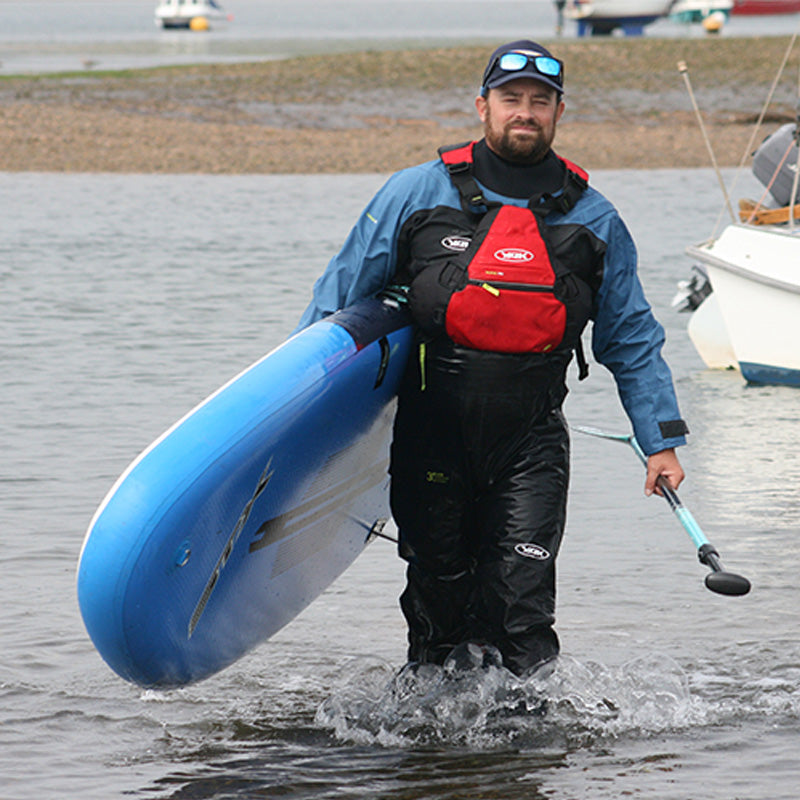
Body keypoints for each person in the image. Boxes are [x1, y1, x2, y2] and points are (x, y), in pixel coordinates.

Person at [294, 40, 688, 677]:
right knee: (437, 601)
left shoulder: (595, 218)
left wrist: (660, 441)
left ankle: (526, 753)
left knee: (521, 607)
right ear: (483, 106)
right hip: (430, 437)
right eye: (511, 99)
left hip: (530, 445)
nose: (525, 112)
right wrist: (292, 423)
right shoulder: (415, 193)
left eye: (540, 101)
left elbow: (631, 339)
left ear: (559, 112)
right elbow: (338, 305)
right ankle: (433, 755)